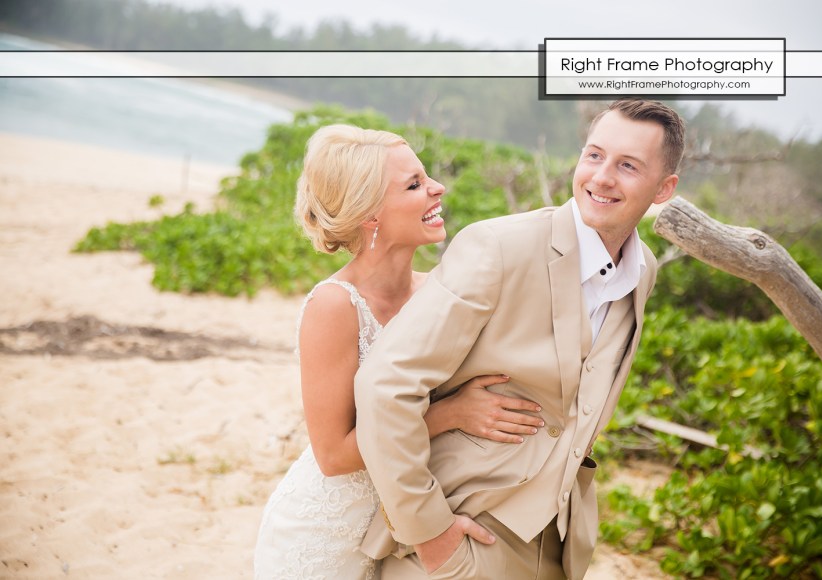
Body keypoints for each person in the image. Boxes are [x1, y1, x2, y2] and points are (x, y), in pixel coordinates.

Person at [354, 98, 685, 579]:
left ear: (664, 188)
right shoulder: (499, 247)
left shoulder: (643, 270)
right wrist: (429, 534)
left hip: (557, 546)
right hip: (463, 532)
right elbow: (384, 386)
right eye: (594, 155)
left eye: (628, 166)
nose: (602, 177)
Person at [253, 124, 544, 580]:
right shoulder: (334, 306)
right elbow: (331, 455)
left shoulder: (439, 293)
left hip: (401, 531)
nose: (437, 188)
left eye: (426, 177)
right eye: (414, 185)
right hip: (325, 536)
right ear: (371, 214)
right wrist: (452, 414)